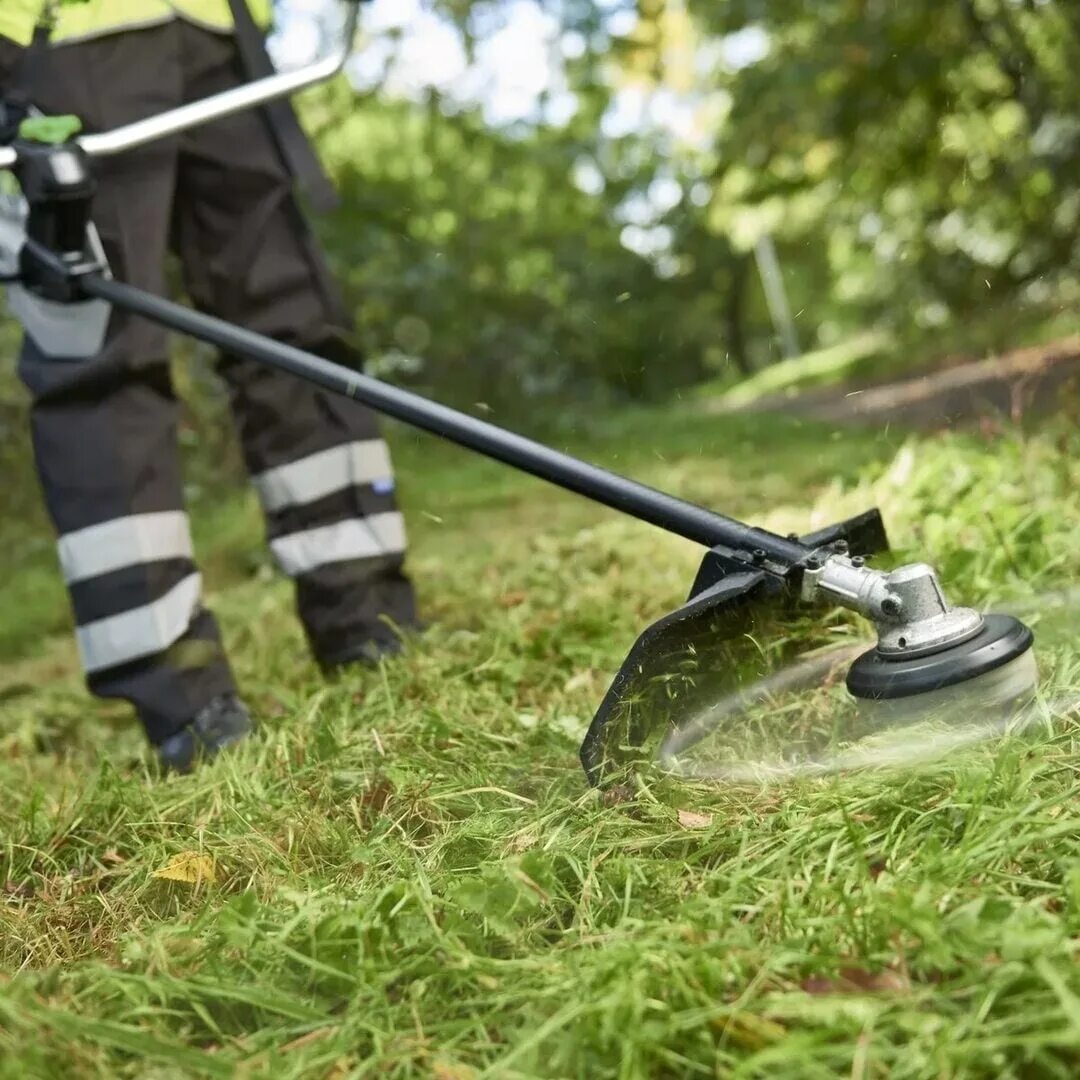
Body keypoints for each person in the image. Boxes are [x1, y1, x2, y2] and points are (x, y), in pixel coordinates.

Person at [0, 0, 419, 770]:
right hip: (57, 41)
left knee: (296, 331)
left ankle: (366, 620)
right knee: (103, 359)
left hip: (216, 30)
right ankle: (182, 699)